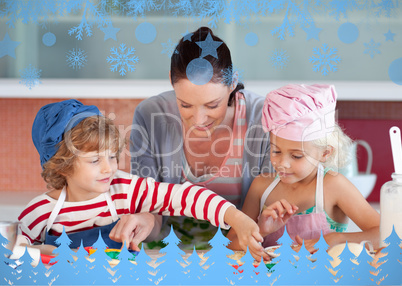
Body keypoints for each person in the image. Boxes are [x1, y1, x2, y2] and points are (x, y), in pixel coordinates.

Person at [18, 99, 265, 258]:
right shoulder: (40, 212)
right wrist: (44, 253)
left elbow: (185, 196)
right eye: (95, 161)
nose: (109, 168)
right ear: (61, 166)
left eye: (113, 156)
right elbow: (11, 256)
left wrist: (235, 217)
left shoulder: (124, 190)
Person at [130, 26, 272, 248]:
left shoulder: (263, 118)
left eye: (212, 105)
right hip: (167, 254)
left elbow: (266, 214)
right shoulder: (149, 115)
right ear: (170, 80)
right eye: (185, 104)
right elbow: (149, 202)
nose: (198, 119)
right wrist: (144, 219)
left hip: (238, 252)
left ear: (233, 82)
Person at [227, 84, 380, 259]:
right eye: (276, 151)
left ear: (325, 153)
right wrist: (260, 230)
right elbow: (230, 245)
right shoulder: (262, 186)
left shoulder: (334, 185)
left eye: (297, 156)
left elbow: (386, 235)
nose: (282, 163)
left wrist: (337, 239)